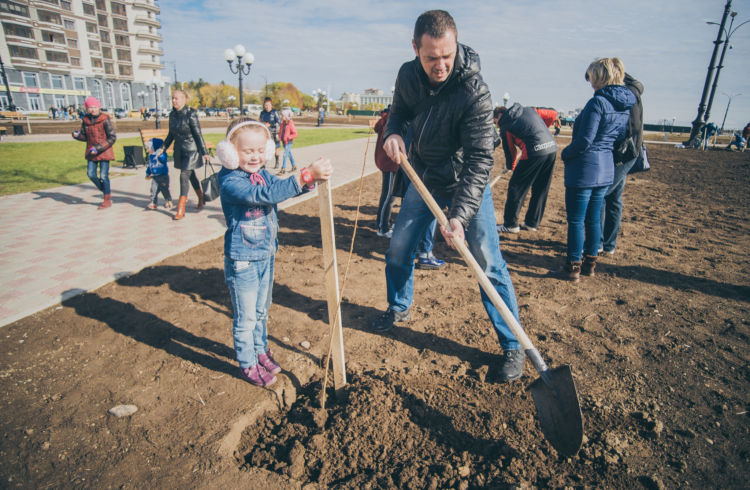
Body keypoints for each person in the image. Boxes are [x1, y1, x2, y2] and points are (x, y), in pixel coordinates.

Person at [375, 9, 525, 381]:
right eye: (431, 58)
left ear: (456, 45)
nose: (440, 65)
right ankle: (399, 306)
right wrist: (393, 132)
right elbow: (399, 114)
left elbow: (479, 162)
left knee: (488, 262)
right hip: (423, 175)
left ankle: (512, 345)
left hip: (464, 182)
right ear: (415, 48)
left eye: (447, 55)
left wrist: (459, 215)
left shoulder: (474, 91)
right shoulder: (408, 75)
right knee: (398, 249)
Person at [217, 118, 333, 386]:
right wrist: (304, 176)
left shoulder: (262, 173)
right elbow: (264, 195)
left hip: (266, 255)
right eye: (248, 151)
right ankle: (247, 363)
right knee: (245, 318)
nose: (256, 157)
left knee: (261, 311)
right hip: (243, 261)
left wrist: (308, 180)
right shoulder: (231, 181)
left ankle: (260, 350)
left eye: (260, 151)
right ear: (230, 152)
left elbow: (278, 188)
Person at [558, 57, 635, 282]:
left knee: (576, 220)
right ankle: (590, 264)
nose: (590, 83)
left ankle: (572, 266)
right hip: (606, 167)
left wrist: (565, 153)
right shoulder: (624, 105)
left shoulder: (598, 102)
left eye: (592, 77)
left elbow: (584, 140)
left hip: (584, 169)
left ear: (601, 77)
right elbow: (619, 137)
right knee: (593, 219)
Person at [373, 107, 445, 269]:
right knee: (426, 210)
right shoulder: (409, 119)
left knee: (414, 212)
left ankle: (416, 249)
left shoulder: (408, 118)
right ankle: (424, 252)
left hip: (411, 170)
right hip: (415, 171)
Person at [495, 104, 558, 233]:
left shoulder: (505, 125)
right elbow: (553, 114)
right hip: (551, 148)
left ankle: (510, 224)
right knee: (541, 187)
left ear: (499, 116)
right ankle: (532, 223)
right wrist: (541, 130)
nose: (496, 125)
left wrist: (510, 167)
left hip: (533, 152)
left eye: (495, 121)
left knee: (516, 187)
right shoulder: (530, 110)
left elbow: (510, 152)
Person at [600, 73, 644, 255]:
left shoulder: (622, 96)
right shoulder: (632, 92)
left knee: (601, 195)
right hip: (628, 151)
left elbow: (623, 128)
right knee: (613, 198)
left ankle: (598, 243)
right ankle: (608, 244)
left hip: (622, 152)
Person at [161, 89, 210, 220]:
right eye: (173, 98)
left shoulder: (191, 114)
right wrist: (163, 147)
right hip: (180, 150)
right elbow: (171, 134)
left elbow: (197, 134)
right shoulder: (172, 115)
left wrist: (204, 152)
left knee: (184, 176)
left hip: (191, 150)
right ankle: (200, 196)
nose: (174, 101)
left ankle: (181, 208)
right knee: (190, 175)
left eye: (177, 98)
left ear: (184, 99)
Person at [72, 96, 116, 209]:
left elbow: (112, 137)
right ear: (87, 109)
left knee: (103, 175)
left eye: (95, 107)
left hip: (103, 151)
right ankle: (105, 190)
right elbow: (85, 137)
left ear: (99, 107)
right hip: (91, 152)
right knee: (91, 174)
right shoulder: (85, 120)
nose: (93, 109)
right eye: (90, 107)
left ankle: (107, 199)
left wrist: (99, 148)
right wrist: (77, 136)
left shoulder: (105, 119)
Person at [144, 137, 173, 210]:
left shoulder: (163, 155)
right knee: (153, 190)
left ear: (155, 147)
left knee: (165, 189)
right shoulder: (151, 156)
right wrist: (148, 173)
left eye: (149, 148)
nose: (148, 149)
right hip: (155, 177)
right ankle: (153, 203)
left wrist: (159, 155)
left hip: (163, 176)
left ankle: (168, 200)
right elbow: (150, 166)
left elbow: (163, 160)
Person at [259, 97, 281, 168]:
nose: (267, 106)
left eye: (268, 105)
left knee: (276, 148)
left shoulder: (274, 112)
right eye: (265, 105)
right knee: (264, 148)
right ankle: (263, 164)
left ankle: (277, 162)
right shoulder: (262, 113)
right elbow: (260, 122)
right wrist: (263, 124)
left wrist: (271, 124)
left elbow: (279, 122)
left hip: (274, 133)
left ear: (271, 105)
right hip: (265, 133)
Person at [277, 109, 298, 174]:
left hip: (289, 142)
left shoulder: (290, 123)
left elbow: (295, 133)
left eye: (282, 116)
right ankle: (294, 166)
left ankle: (283, 169)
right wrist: (280, 137)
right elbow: (281, 131)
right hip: (284, 141)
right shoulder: (282, 123)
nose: (281, 117)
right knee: (289, 154)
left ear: (286, 116)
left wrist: (289, 137)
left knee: (285, 155)